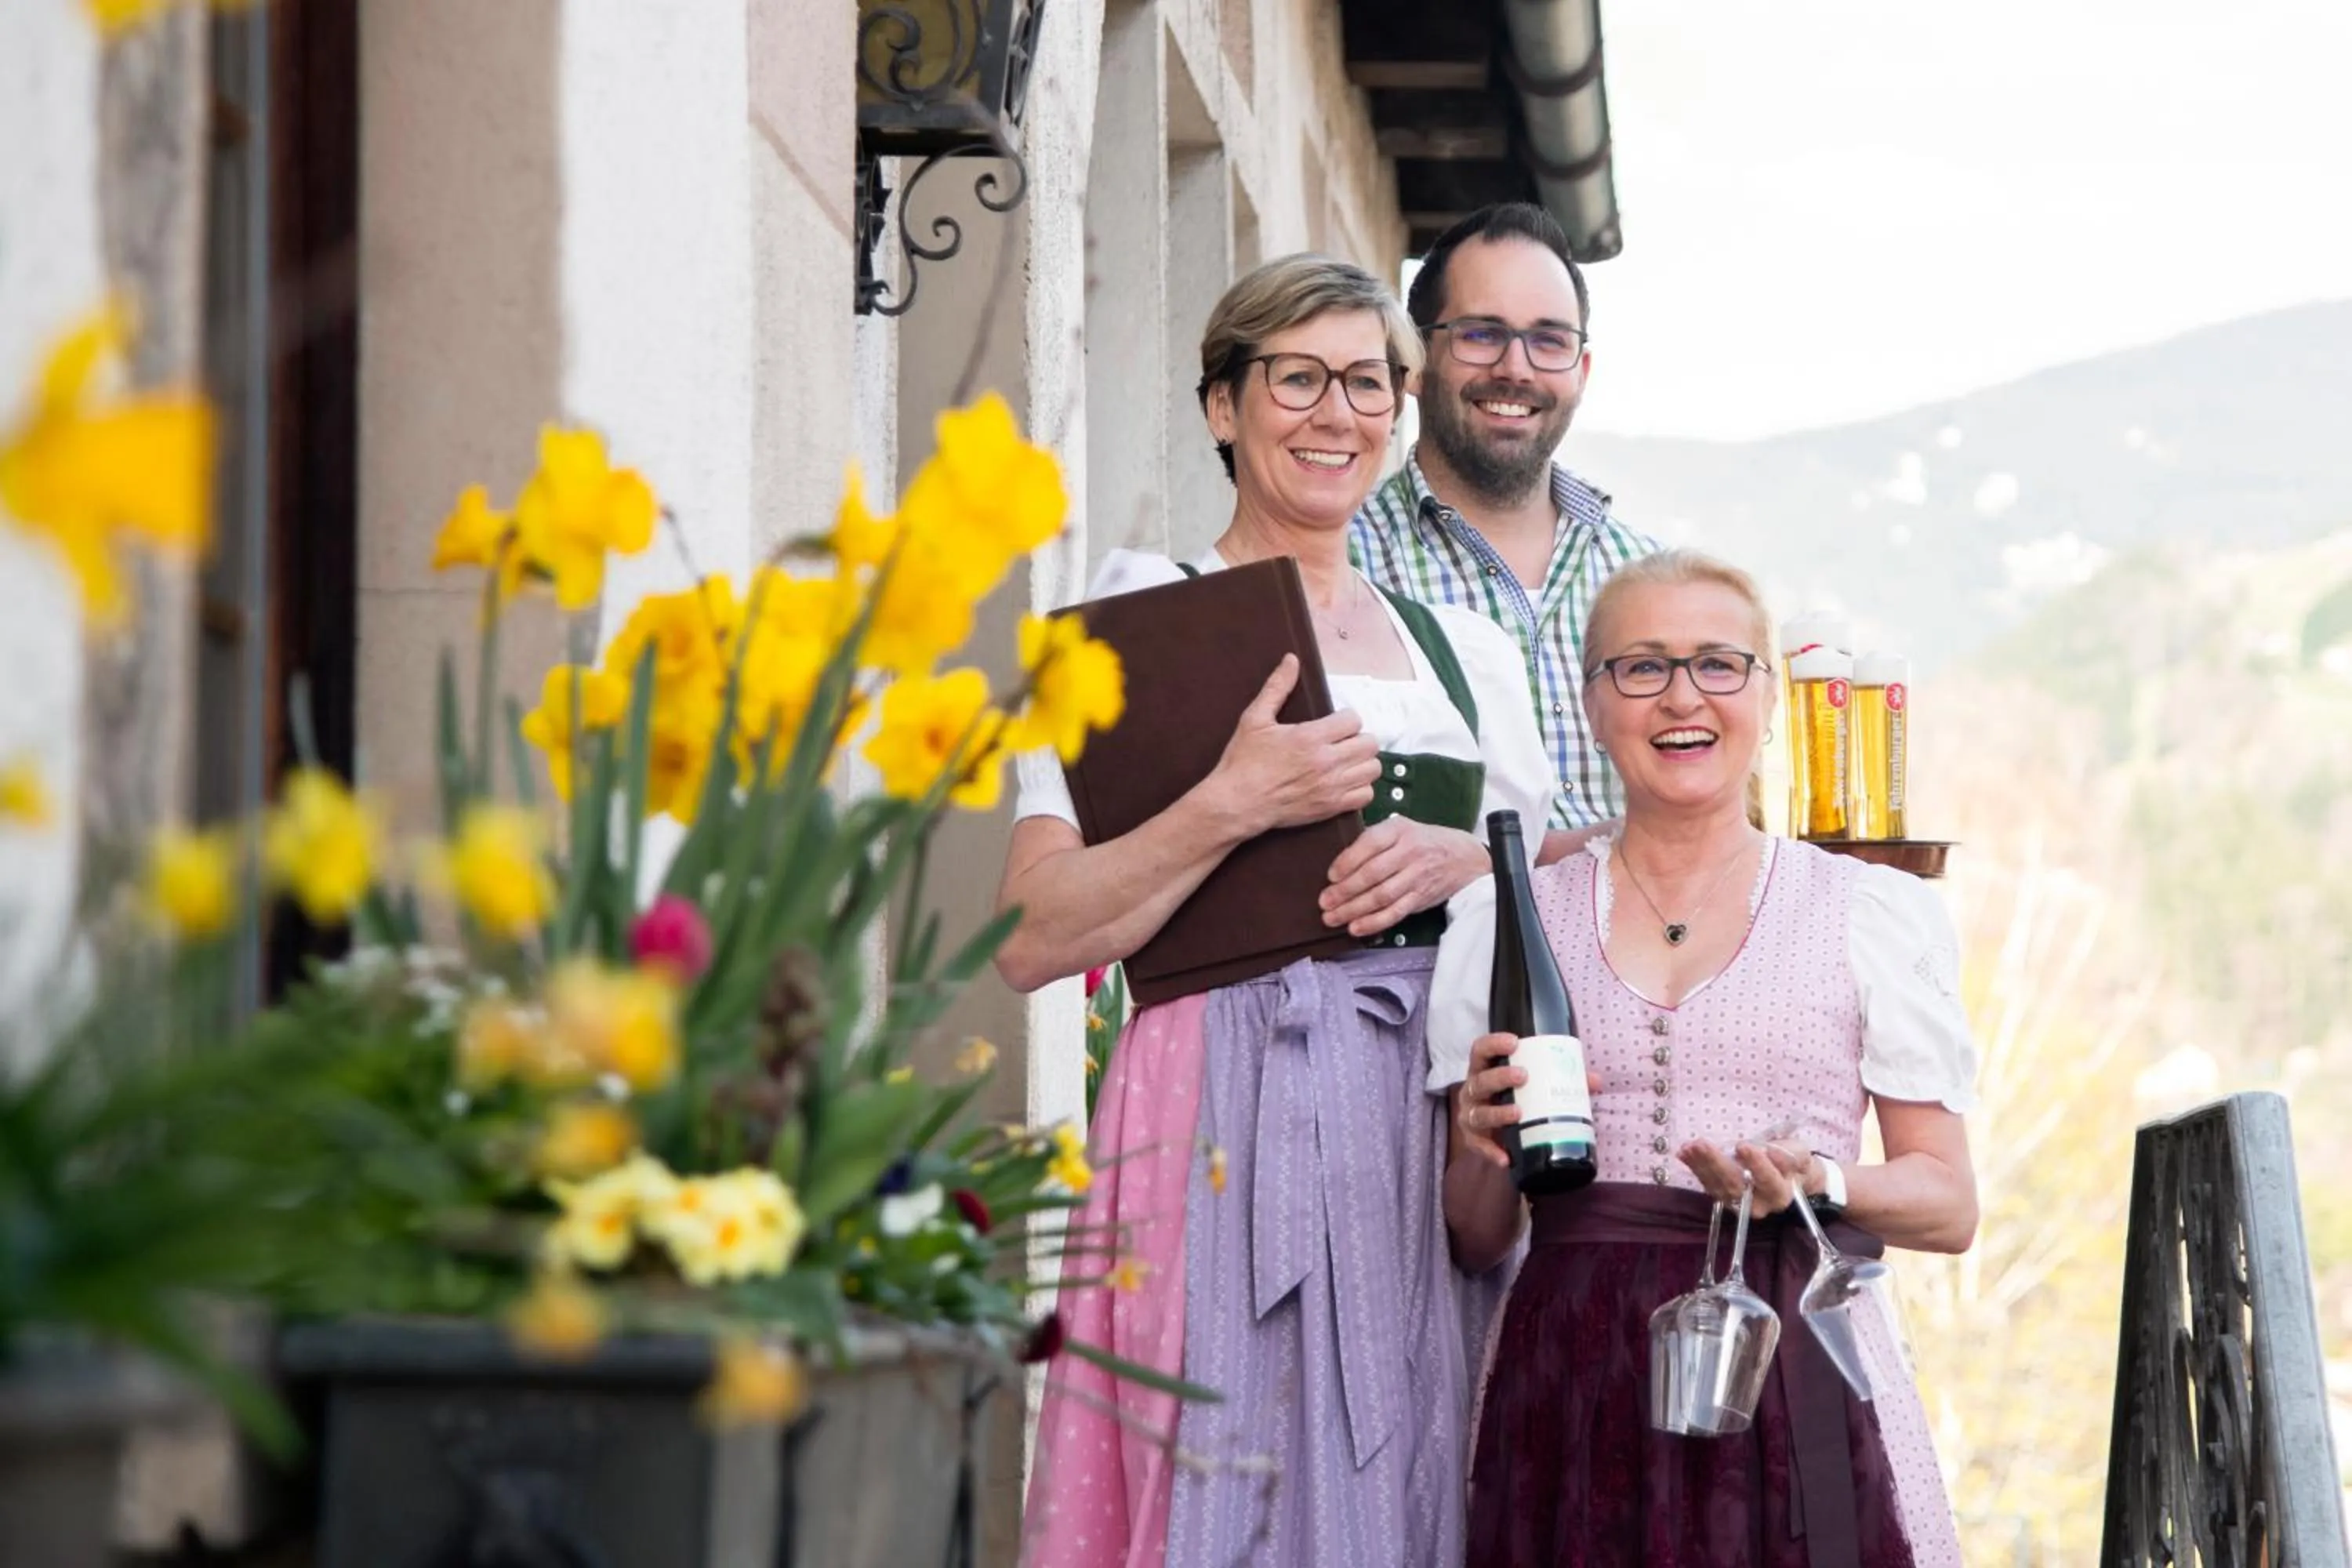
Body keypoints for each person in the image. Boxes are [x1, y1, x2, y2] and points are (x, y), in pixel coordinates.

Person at [1001, 253, 1555, 1568]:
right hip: (1215, 1095)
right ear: (1222, 408)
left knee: (1420, 1446)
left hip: (1431, 1113)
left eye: (1367, 381)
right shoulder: (1136, 614)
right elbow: (1032, 933)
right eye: (1296, 378)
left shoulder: (1463, 650)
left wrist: (1464, 863)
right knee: (1225, 1461)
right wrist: (1229, 802)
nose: (1335, 414)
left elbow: (1560, 889)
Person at [1430, 547, 1977, 1566]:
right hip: (1571, 1377)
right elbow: (1474, 1237)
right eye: (1641, 667)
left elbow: (1948, 1205)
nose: (1682, 696)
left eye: (1719, 664)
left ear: (1767, 697)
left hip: (1795, 1359)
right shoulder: (1512, 919)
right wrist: (1477, 1140)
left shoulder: (1869, 912)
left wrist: (1819, 1180)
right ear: (1593, 707)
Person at [1352, 202, 1658, 859]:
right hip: (1445, 959)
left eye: (1549, 339)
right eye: (1481, 334)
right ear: (1415, 360)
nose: (1516, 368)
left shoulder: (1647, 573)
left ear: (1582, 370)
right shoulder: (1342, 567)